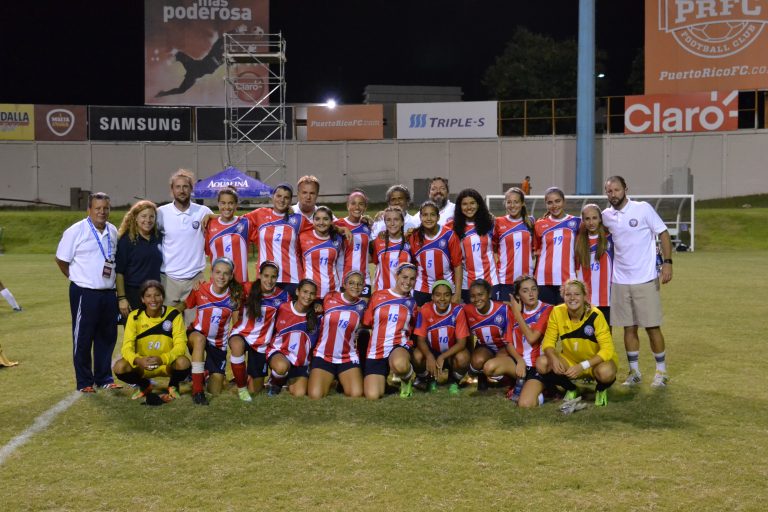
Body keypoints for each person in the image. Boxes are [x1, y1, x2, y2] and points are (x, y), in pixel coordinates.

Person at [602, 176, 673, 388]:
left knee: (652, 327)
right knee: (628, 328)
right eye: (609, 191)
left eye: (617, 189)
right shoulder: (606, 216)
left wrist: (667, 262)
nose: (613, 194)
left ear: (626, 189)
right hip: (620, 280)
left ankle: (661, 371)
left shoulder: (643, 209)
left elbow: (663, 233)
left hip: (645, 278)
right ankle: (634, 372)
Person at [55, 192, 121, 392]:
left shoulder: (112, 230)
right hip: (85, 292)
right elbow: (61, 259)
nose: (102, 212)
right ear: (89, 210)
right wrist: (77, 278)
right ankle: (84, 381)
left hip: (108, 292)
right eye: (97, 208)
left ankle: (104, 378)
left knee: (107, 337)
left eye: (105, 208)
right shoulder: (76, 230)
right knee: (83, 337)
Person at [537, 279, 618, 407]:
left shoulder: (596, 315)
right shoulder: (557, 312)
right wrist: (553, 358)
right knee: (542, 363)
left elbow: (607, 350)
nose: (572, 298)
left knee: (606, 372)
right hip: (570, 362)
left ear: (585, 296)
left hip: (594, 364)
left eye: (577, 294)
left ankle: (601, 389)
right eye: (568, 294)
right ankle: (572, 389)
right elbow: (548, 342)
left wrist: (583, 366)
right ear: (563, 296)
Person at [112, 280, 191, 406]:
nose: (153, 299)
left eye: (157, 295)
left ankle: (173, 385)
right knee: (119, 367)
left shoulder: (174, 315)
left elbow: (180, 346)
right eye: (148, 296)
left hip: (166, 364)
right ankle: (144, 385)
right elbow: (126, 348)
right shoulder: (134, 317)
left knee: (184, 362)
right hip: (143, 365)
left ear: (163, 297)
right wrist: (139, 360)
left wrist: (162, 359)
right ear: (142, 299)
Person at [482, 274, 552, 407]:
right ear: (518, 296)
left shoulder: (547, 309)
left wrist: (517, 314)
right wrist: (519, 360)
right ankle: (521, 383)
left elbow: (532, 338)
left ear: (538, 290)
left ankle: (543, 390)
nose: (531, 294)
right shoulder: (512, 311)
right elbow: (508, 342)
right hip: (519, 363)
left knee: (525, 404)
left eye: (534, 289)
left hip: (537, 366)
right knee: (488, 367)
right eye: (525, 291)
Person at [185, 257, 243, 405]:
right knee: (200, 339)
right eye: (218, 272)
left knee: (214, 390)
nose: (221, 277)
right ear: (211, 273)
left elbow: (236, 325)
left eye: (225, 273)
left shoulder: (234, 297)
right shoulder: (200, 288)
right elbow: (186, 305)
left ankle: (203, 372)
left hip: (218, 344)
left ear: (231, 276)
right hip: (197, 335)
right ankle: (197, 391)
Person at [228, 261, 290, 399]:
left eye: (273, 277)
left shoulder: (283, 296)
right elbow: (227, 287)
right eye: (266, 276)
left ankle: (249, 377)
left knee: (255, 389)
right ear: (260, 275)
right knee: (237, 345)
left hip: (262, 343)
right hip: (241, 333)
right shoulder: (247, 288)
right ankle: (241, 388)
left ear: (277, 277)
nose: (269, 280)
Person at [156, 169, 213, 312]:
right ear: (172, 190)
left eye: (185, 187)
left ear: (191, 189)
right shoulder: (161, 213)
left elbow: (225, 221)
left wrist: (213, 216)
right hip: (168, 280)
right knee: (167, 323)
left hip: (195, 280)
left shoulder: (203, 211)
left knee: (194, 325)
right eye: (178, 187)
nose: (182, 191)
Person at [362, 263, 420, 400]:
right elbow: (367, 322)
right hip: (377, 349)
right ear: (396, 276)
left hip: (398, 345)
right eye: (404, 277)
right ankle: (385, 381)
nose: (408, 282)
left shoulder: (412, 303)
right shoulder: (378, 296)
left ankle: (406, 379)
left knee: (400, 365)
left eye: (412, 279)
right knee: (373, 396)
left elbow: (412, 327)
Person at [307, 271, 367, 399]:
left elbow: (365, 324)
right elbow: (314, 308)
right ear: (344, 284)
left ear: (363, 287)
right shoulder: (330, 297)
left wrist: (355, 332)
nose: (355, 287)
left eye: (359, 284)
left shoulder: (362, 306)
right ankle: (330, 378)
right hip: (324, 355)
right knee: (315, 395)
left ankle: (340, 378)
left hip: (347, 357)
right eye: (351, 283)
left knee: (356, 394)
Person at [244, 183, 311, 296]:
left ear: (290, 201)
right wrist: (214, 217)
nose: (282, 200)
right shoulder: (260, 214)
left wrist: (338, 228)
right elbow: (235, 222)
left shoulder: (298, 220)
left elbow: (320, 229)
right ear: (273, 197)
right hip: (266, 279)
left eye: (286, 197)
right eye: (279, 196)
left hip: (292, 279)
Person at [413, 280, 470, 395]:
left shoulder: (458, 310)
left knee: (463, 357)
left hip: (451, 353)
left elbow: (461, 343)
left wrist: (443, 357)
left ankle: (453, 380)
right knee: (417, 356)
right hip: (432, 352)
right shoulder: (425, 310)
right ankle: (428, 379)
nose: (442, 299)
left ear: (451, 296)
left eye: (447, 295)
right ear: (432, 297)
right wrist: (429, 356)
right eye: (438, 295)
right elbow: (420, 340)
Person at [265, 279, 320, 397]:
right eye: (305, 292)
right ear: (297, 292)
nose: (308, 296)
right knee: (281, 367)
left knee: (299, 393)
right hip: (280, 352)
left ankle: (285, 378)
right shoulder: (283, 308)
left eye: (312, 293)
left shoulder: (317, 316)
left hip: (300, 361)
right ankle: (275, 383)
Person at [463, 279, 513, 392]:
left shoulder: (503, 309)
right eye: (473, 296)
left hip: (505, 347)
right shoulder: (467, 310)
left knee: (499, 362)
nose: (477, 299)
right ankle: (482, 378)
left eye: (481, 294)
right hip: (485, 347)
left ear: (489, 294)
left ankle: (510, 379)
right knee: (477, 361)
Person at [408, 201, 462, 306]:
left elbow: (458, 265)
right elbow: (412, 264)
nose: (428, 218)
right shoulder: (413, 237)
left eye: (432, 215)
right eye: (425, 215)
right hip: (422, 288)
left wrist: (458, 293)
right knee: (422, 316)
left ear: (438, 217)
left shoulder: (449, 235)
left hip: (447, 286)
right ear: (420, 217)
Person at [533, 187, 580, 305]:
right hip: (543, 280)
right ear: (546, 204)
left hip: (567, 279)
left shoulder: (576, 223)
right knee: (546, 315)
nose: (554, 206)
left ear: (564, 202)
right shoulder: (539, 224)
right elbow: (536, 250)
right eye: (550, 202)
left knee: (566, 315)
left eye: (557, 201)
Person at [115, 200, 162, 319]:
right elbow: (119, 272)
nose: (148, 220)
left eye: (151, 216)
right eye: (143, 216)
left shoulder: (159, 237)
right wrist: (122, 298)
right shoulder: (126, 241)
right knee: (134, 330)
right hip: (133, 295)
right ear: (135, 218)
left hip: (154, 295)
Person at [451, 188, 499, 304]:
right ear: (459, 207)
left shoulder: (491, 223)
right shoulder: (453, 227)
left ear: (478, 204)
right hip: (467, 284)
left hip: (491, 281)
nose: (469, 207)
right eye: (464, 204)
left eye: (472, 203)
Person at [493, 187, 535, 302]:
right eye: (509, 202)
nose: (512, 205)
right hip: (505, 280)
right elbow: (493, 248)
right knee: (507, 312)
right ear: (505, 203)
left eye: (516, 202)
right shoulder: (498, 222)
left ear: (522, 203)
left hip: (527, 280)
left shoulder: (531, 222)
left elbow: (535, 249)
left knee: (525, 312)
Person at [204, 188, 253, 284]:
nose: (227, 207)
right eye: (223, 203)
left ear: (236, 205)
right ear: (218, 204)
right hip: (217, 284)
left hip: (240, 283)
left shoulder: (246, 223)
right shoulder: (209, 225)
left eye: (231, 203)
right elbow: (205, 252)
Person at [575, 203, 613, 324]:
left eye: (594, 218)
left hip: (606, 298)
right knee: (586, 334)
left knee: (605, 333)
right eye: (587, 219)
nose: (591, 222)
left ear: (600, 219)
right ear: (583, 221)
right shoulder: (578, 241)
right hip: (585, 298)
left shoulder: (610, 238)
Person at [299, 206, 345, 297]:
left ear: (331, 221)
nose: (321, 222)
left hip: (333, 290)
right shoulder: (302, 237)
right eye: (317, 219)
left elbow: (341, 264)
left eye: (325, 219)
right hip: (310, 293)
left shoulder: (338, 239)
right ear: (313, 221)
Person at [334, 190, 372, 298]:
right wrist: (340, 229)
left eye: (361, 204)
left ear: (365, 207)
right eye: (353, 203)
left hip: (364, 279)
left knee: (363, 307)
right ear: (347, 206)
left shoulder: (367, 227)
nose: (357, 207)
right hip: (343, 278)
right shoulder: (338, 224)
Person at [371, 206, 412, 293]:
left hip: (404, 293)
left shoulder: (409, 242)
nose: (392, 223)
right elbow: (374, 261)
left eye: (396, 219)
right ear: (385, 222)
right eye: (388, 220)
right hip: (382, 293)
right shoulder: (378, 241)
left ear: (402, 222)